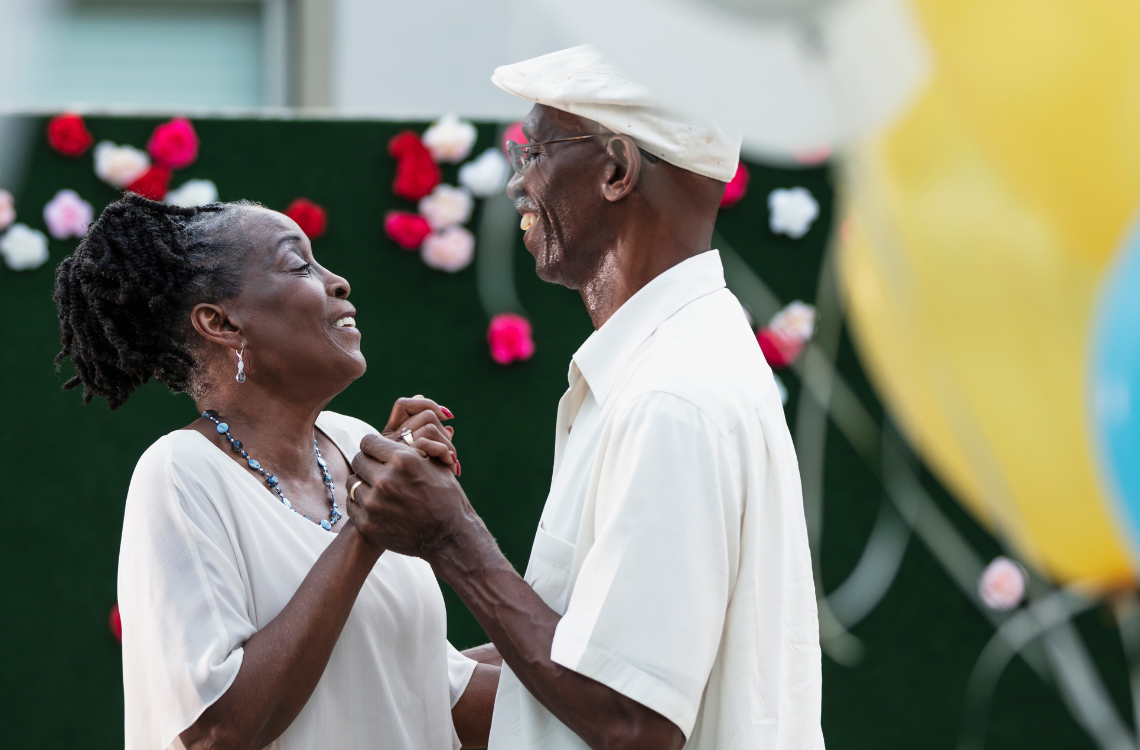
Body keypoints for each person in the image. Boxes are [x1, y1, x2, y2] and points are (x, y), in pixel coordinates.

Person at [345, 45, 825, 750]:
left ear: (617, 170)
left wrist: (452, 536)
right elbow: (590, 655)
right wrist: (389, 671)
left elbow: (633, 720)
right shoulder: (669, 367)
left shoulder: (673, 395)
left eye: (535, 148)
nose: (518, 181)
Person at [53, 194, 498, 750]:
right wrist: (365, 529)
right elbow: (216, 731)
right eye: (299, 265)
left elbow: (433, 695)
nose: (338, 281)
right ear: (221, 322)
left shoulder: (356, 442)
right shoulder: (181, 473)